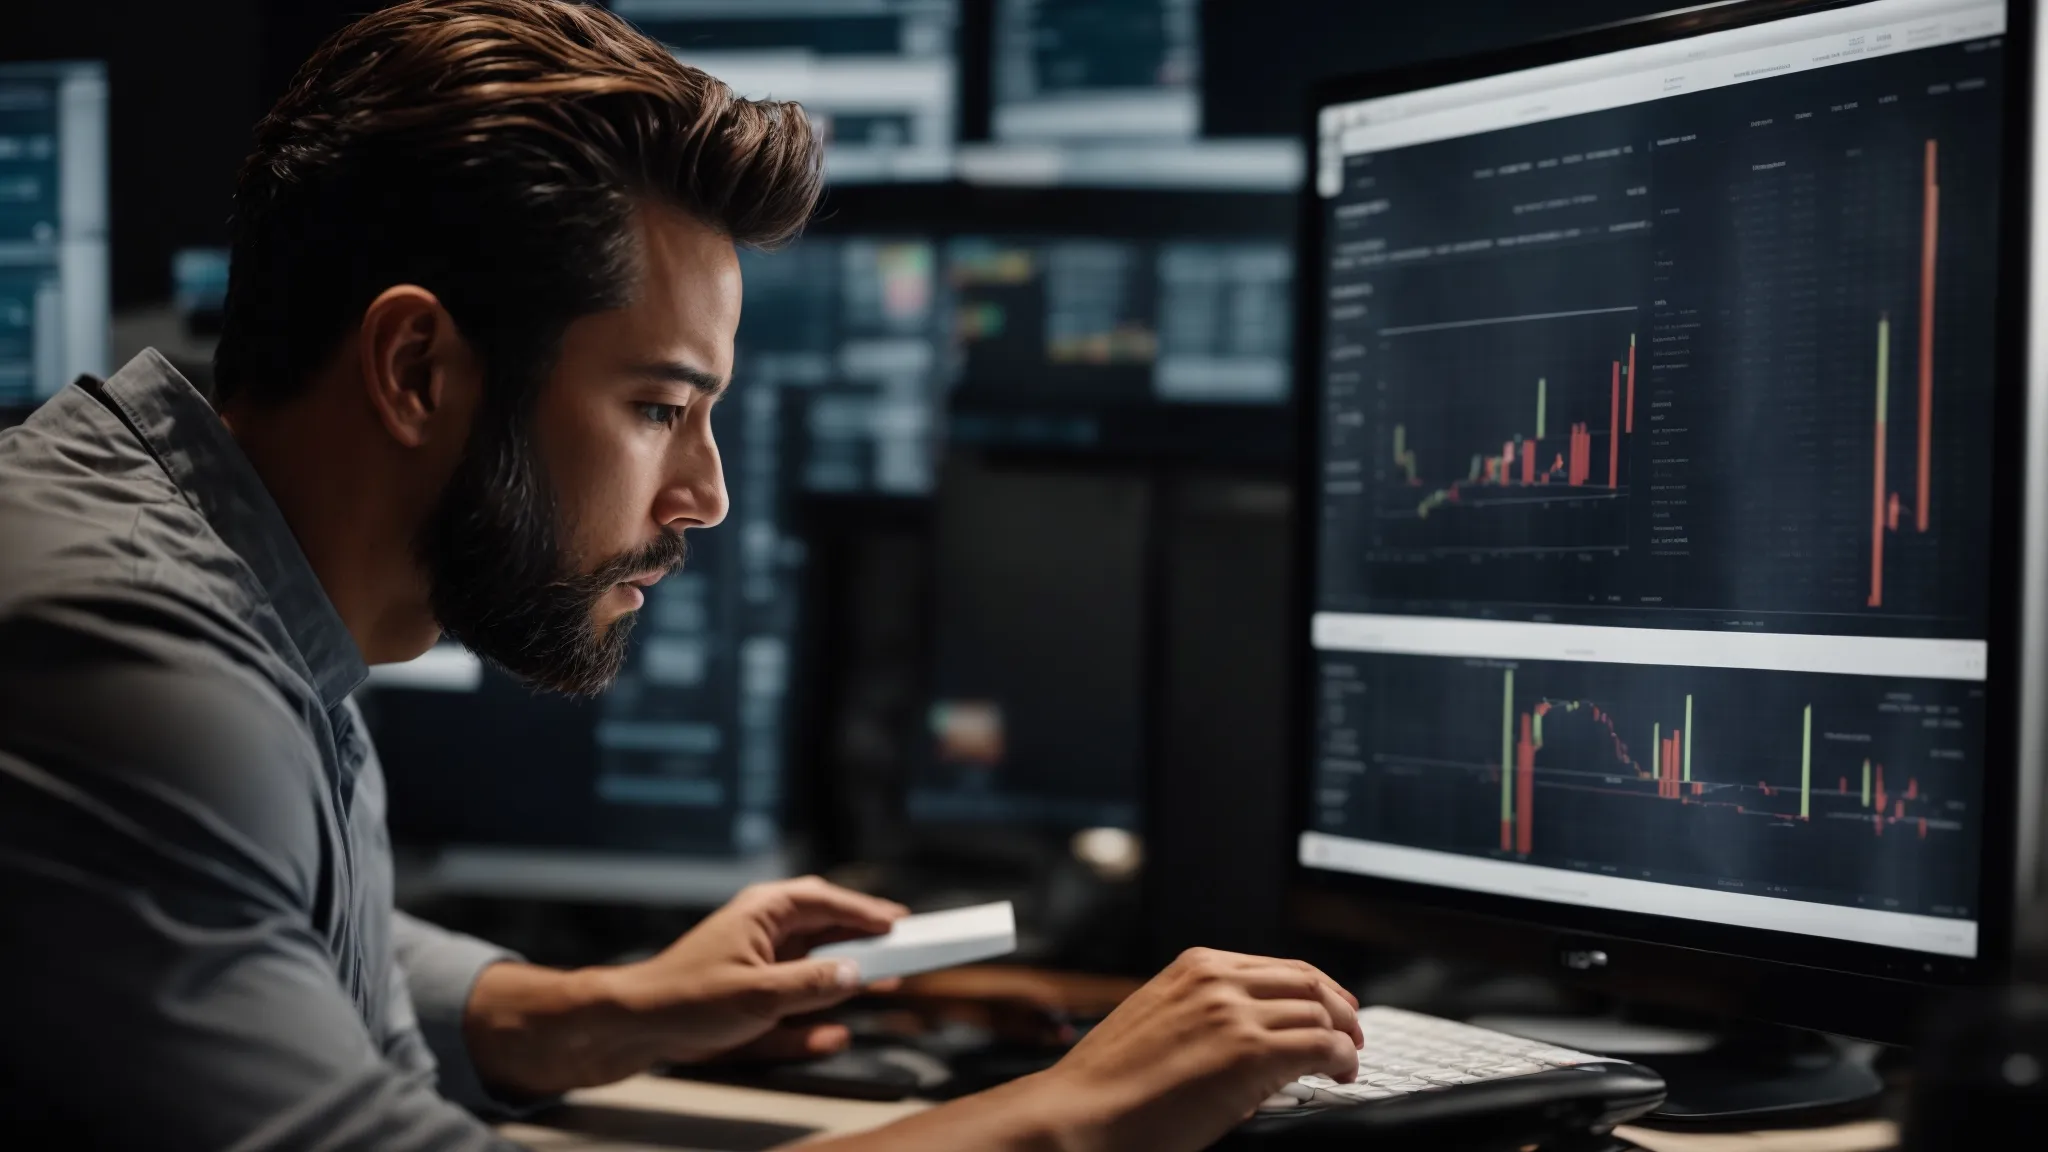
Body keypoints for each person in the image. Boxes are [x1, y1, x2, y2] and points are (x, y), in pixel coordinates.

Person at [0, 2, 1364, 1147]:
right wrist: (1075, 1111)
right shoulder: (119, 654)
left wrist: (593, 1013)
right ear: (417, 370)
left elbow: (242, 909)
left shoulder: (223, 567)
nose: (706, 494)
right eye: (660, 406)